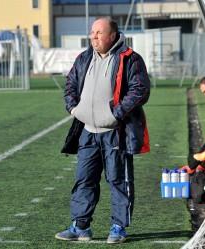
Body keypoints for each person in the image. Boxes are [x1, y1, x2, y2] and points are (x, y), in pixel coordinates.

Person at [56, 17, 150, 244]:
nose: (94, 37)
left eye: (99, 32)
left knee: (119, 180)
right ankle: (80, 226)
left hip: (115, 132)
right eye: (92, 32)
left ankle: (118, 227)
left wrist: (116, 114)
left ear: (112, 35)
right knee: (84, 179)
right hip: (87, 131)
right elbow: (70, 85)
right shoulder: (84, 57)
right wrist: (73, 109)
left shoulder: (130, 59)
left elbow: (140, 90)